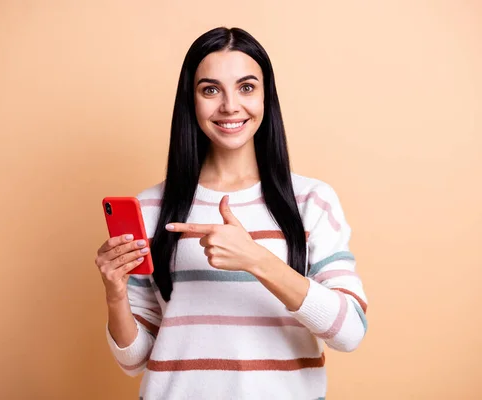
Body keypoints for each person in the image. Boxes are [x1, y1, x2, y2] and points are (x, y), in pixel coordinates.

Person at [94, 26, 368, 400]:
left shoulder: (311, 201)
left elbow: (350, 331)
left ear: (265, 96)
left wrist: (256, 259)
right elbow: (135, 359)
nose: (229, 105)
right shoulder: (151, 208)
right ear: (191, 101)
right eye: (210, 90)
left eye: (246, 87)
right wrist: (115, 294)